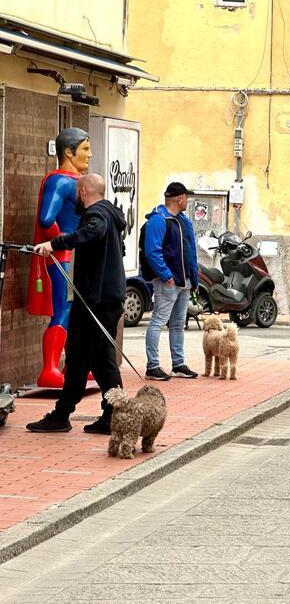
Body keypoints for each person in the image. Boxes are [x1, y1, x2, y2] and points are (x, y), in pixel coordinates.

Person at [27, 175, 127, 433]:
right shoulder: (112, 213)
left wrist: (54, 243)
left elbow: (93, 231)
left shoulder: (97, 214)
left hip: (97, 300)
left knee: (100, 358)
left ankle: (112, 413)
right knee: (80, 356)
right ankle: (66, 413)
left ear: (83, 192)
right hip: (102, 297)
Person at [27, 128, 91, 389]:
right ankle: (50, 368)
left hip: (71, 253)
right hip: (63, 255)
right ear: (68, 151)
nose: (89, 154)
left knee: (73, 310)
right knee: (63, 308)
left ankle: (70, 364)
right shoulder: (60, 181)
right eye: (85, 148)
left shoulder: (72, 180)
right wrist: (58, 243)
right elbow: (46, 218)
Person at [142, 182, 199, 381]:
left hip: (184, 280)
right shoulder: (159, 220)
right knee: (158, 320)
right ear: (179, 199)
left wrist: (194, 276)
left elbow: (191, 250)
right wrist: (166, 275)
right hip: (169, 281)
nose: (187, 202)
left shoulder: (183, 221)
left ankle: (178, 364)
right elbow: (152, 251)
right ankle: (153, 365)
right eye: (186, 198)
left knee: (178, 323)